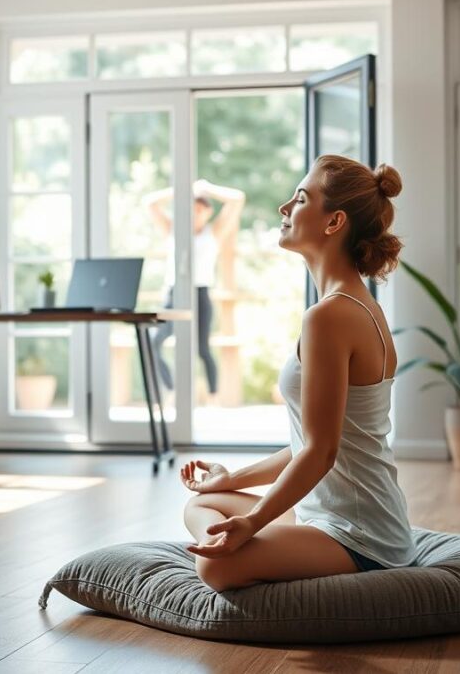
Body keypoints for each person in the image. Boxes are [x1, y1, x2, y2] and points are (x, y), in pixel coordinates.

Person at [179, 154, 415, 592]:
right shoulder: (355, 304)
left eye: (301, 198)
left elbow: (320, 452)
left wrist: (252, 523)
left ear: (333, 222)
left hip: (363, 539)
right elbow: (318, 442)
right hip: (333, 516)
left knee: (214, 568)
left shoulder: (331, 316)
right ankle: (268, 538)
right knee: (206, 502)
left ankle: (267, 547)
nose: (284, 208)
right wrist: (233, 480)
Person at [144, 179, 246, 400]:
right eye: (192, 208)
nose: (196, 213)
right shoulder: (173, 230)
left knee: (202, 349)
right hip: (174, 293)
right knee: (153, 342)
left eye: (200, 209)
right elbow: (149, 203)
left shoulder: (215, 232)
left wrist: (207, 188)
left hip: (200, 293)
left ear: (208, 212)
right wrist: (182, 188)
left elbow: (237, 199)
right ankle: (171, 389)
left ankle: (213, 397)